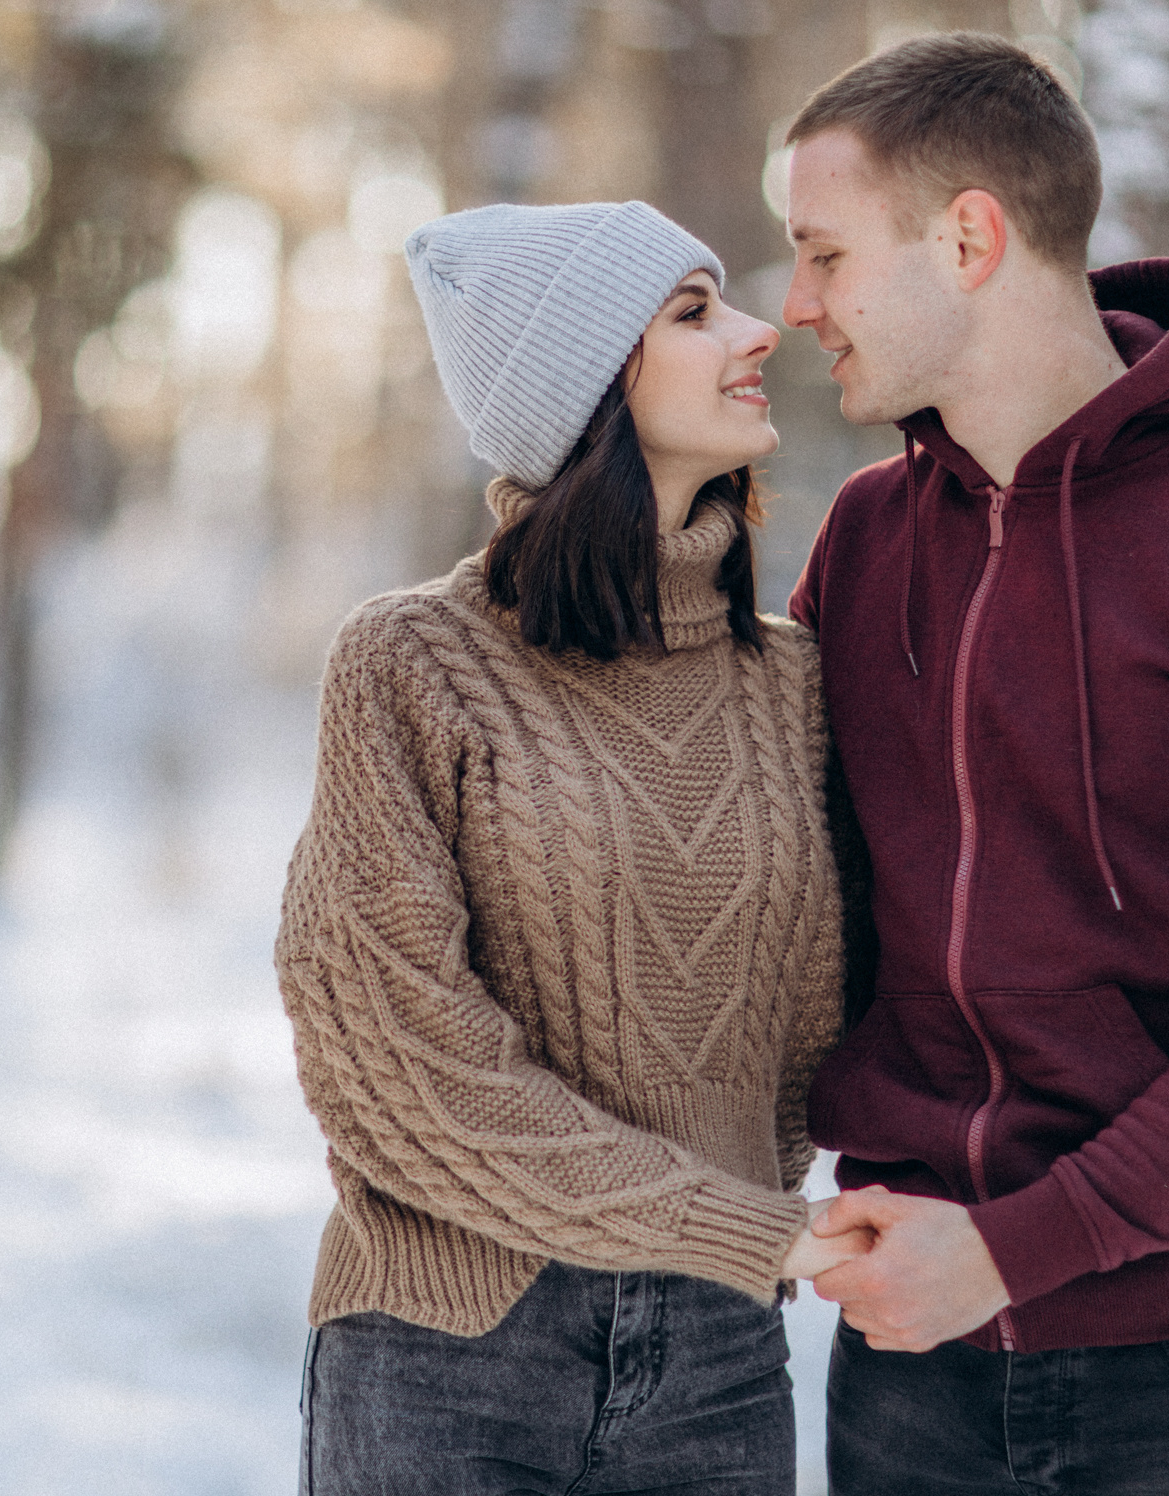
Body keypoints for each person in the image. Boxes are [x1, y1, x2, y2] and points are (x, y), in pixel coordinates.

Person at [776, 33, 1169, 1494]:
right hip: (910, 1355)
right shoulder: (868, 544)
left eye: (823, 252)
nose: (798, 304)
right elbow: (794, 903)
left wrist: (1014, 1252)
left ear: (969, 235)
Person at [274, 199, 861, 1495]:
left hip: (715, 1358)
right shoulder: (414, 663)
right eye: (695, 312)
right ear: (588, 374)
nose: (761, 330)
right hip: (454, 1344)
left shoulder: (795, 682)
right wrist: (735, 1223)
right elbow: (394, 1064)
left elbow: (820, 1030)